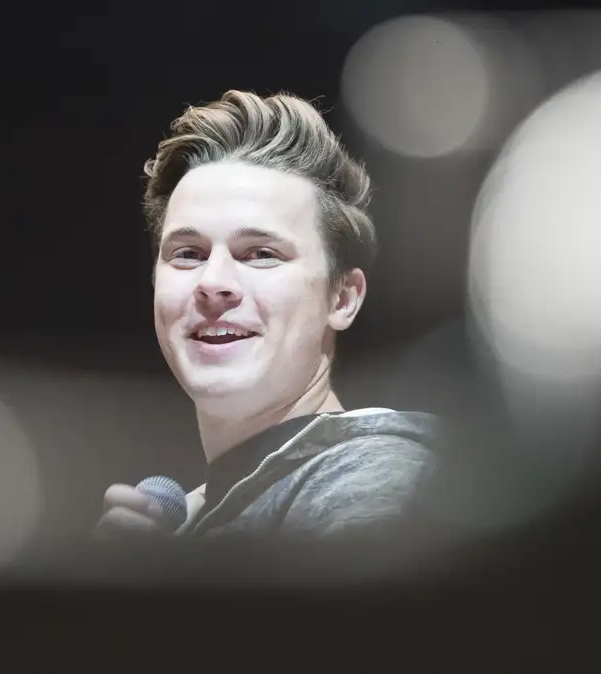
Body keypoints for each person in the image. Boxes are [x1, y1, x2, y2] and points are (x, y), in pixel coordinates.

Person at [94, 90, 441, 542]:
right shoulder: (183, 527)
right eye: (188, 253)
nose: (212, 282)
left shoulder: (375, 483)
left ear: (342, 299)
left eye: (261, 254)